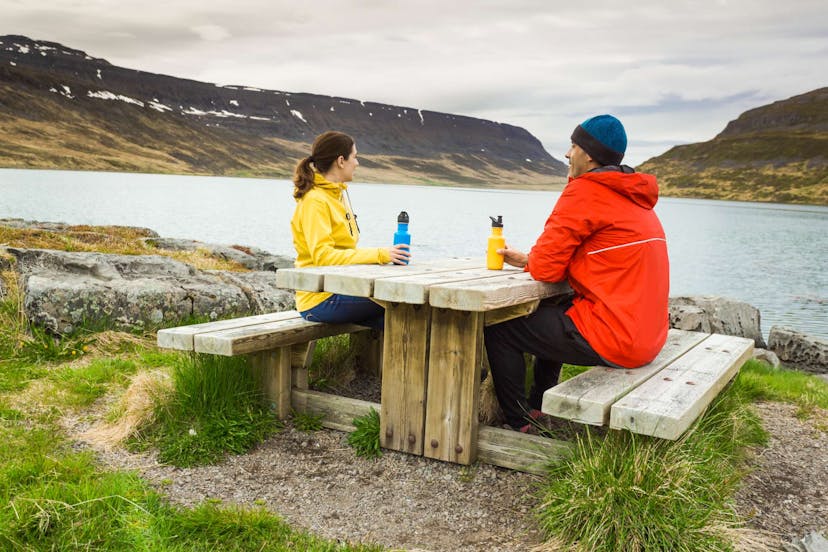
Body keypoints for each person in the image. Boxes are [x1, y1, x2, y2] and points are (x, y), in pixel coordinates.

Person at [484, 114, 670, 432]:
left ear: (589, 154)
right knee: (557, 309)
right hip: (649, 337)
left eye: (573, 145)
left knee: (501, 327)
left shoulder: (586, 193)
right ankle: (539, 403)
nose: (568, 154)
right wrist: (531, 259)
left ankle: (520, 420)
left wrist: (534, 261)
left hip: (619, 340)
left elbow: (545, 268)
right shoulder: (636, 198)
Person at [290, 130, 410, 329]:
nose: (357, 163)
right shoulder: (315, 201)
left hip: (340, 287)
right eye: (354, 157)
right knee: (403, 301)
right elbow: (323, 256)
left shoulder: (338, 195)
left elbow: (345, 250)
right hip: (320, 299)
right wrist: (381, 254)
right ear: (340, 161)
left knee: (401, 321)